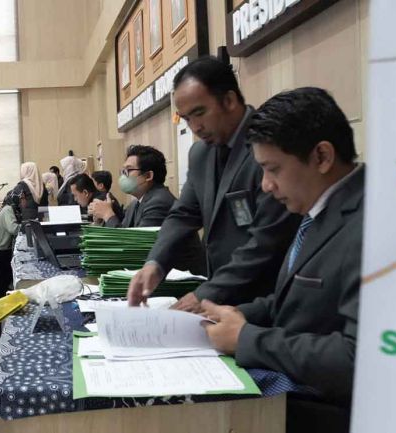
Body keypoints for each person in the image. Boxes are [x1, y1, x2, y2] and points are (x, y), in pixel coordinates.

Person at [202, 87, 363, 407]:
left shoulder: (373, 223)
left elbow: (358, 359)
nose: (265, 185)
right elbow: (299, 302)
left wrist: (247, 339)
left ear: (322, 156)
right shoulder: (318, 209)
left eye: (273, 169)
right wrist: (237, 316)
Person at [127, 56, 301, 311]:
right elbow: (183, 215)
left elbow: (267, 240)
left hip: (266, 300)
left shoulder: (270, 144)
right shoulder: (200, 154)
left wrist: (204, 295)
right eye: (186, 118)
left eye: (199, 113)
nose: (195, 127)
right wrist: (155, 263)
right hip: (218, 298)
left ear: (229, 100)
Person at [90, 145, 192, 227]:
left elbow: (132, 246)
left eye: (128, 170)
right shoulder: (135, 204)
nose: (123, 176)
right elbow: (123, 231)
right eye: (123, 171)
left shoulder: (159, 203)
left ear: (148, 175)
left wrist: (108, 214)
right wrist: (102, 216)